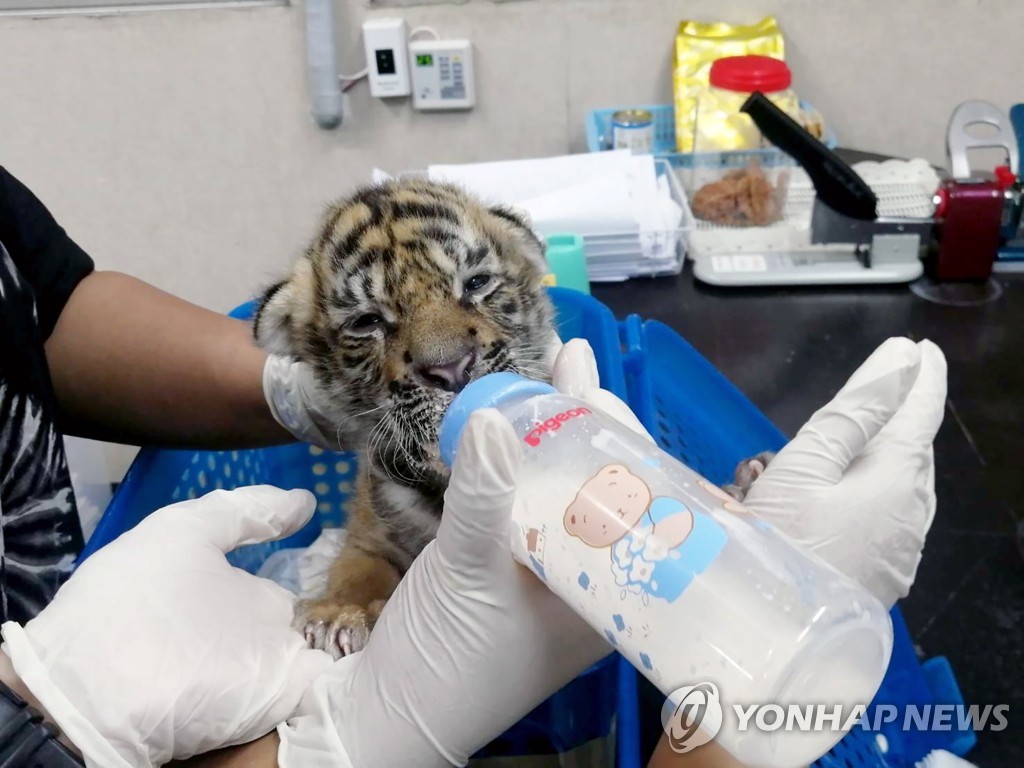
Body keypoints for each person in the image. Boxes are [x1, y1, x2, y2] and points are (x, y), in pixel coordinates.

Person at [0, 163, 947, 766]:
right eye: (372, 324)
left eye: (476, 290)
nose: (446, 352)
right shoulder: (388, 463)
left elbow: (51, 306)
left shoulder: (583, 406)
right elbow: (368, 549)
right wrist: (344, 721)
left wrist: (750, 548)